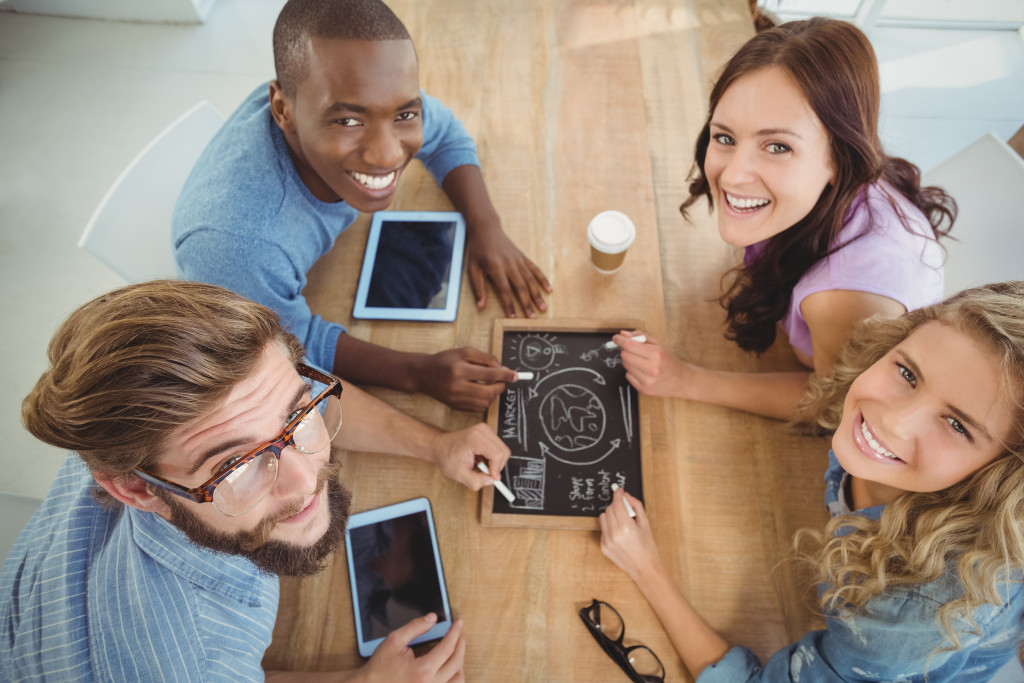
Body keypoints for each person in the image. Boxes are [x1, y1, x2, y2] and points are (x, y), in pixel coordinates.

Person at [0, 280, 511, 682]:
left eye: (299, 413)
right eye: (235, 466)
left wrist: (435, 444)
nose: (305, 480)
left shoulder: (134, 417)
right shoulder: (193, 660)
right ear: (135, 491)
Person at [600, 281, 1024, 681]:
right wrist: (684, 379)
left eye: (955, 424)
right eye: (908, 374)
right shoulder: (876, 420)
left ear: (1000, 477)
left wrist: (646, 567)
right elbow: (821, 401)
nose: (893, 419)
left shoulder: (920, 606)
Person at [172, 0, 552, 413]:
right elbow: (291, 353)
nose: (387, 155)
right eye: (349, 121)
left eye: (404, 113)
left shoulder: (367, 90)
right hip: (238, 302)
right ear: (284, 109)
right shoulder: (242, 245)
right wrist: (418, 373)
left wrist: (486, 225)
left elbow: (446, 136)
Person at [612, 18, 956, 421]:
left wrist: (685, 379)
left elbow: (832, 402)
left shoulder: (843, 299)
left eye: (777, 146)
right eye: (725, 137)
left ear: (839, 158)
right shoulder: (824, 189)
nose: (732, 175)